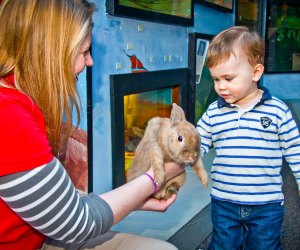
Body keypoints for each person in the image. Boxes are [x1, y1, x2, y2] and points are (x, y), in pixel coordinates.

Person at [0, 1, 184, 249]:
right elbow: (75, 223)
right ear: (50, 53)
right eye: (84, 52)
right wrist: (155, 178)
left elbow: (55, 202)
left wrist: (134, 199)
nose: (90, 63)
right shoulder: (9, 116)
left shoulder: (19, 102)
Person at [196, 26, 300, 250]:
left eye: (228, 78)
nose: (220, 87)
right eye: (215, 79)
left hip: (266, 204)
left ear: (256, 72)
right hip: (224, 201)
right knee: (222, 245)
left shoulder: (277, 111)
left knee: (264, 246)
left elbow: (295, 150)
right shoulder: (215, 111)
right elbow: (199, 140)